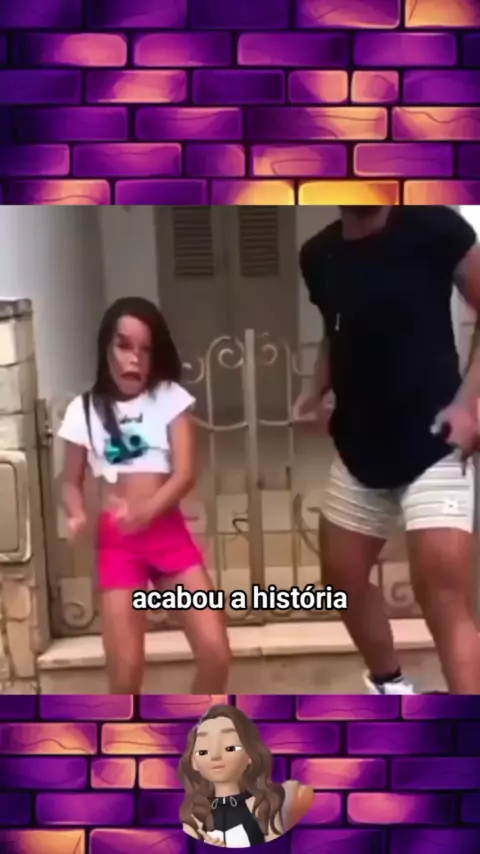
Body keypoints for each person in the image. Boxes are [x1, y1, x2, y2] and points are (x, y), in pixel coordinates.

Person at [295, 205, 480, 695]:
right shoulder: (319, 254)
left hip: (435, 442)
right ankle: (390, 685)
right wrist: (313, 392)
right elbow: (334, 334)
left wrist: (469, 404)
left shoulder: (435, 226)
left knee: (441, 591)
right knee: (341, 578)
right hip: (360, 447)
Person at [57, 296, 231, 694]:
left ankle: (195, 723)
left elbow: (186, 473)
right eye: (123, 345)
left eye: (145, 349)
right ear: (106, 347)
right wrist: (76, 512)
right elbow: (70, 481)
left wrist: (147, 511)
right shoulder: (83, 410)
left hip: (167, 534)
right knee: (125, 674)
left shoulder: (168, 397)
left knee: (215, 652)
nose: (134, 358)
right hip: (118, 543)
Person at [178, 704, 314, 847]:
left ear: (250, 755)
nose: (215, 756)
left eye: (230, 748)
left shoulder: (261, 806)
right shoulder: (194, 816)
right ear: (193, 762)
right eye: (203, 752)